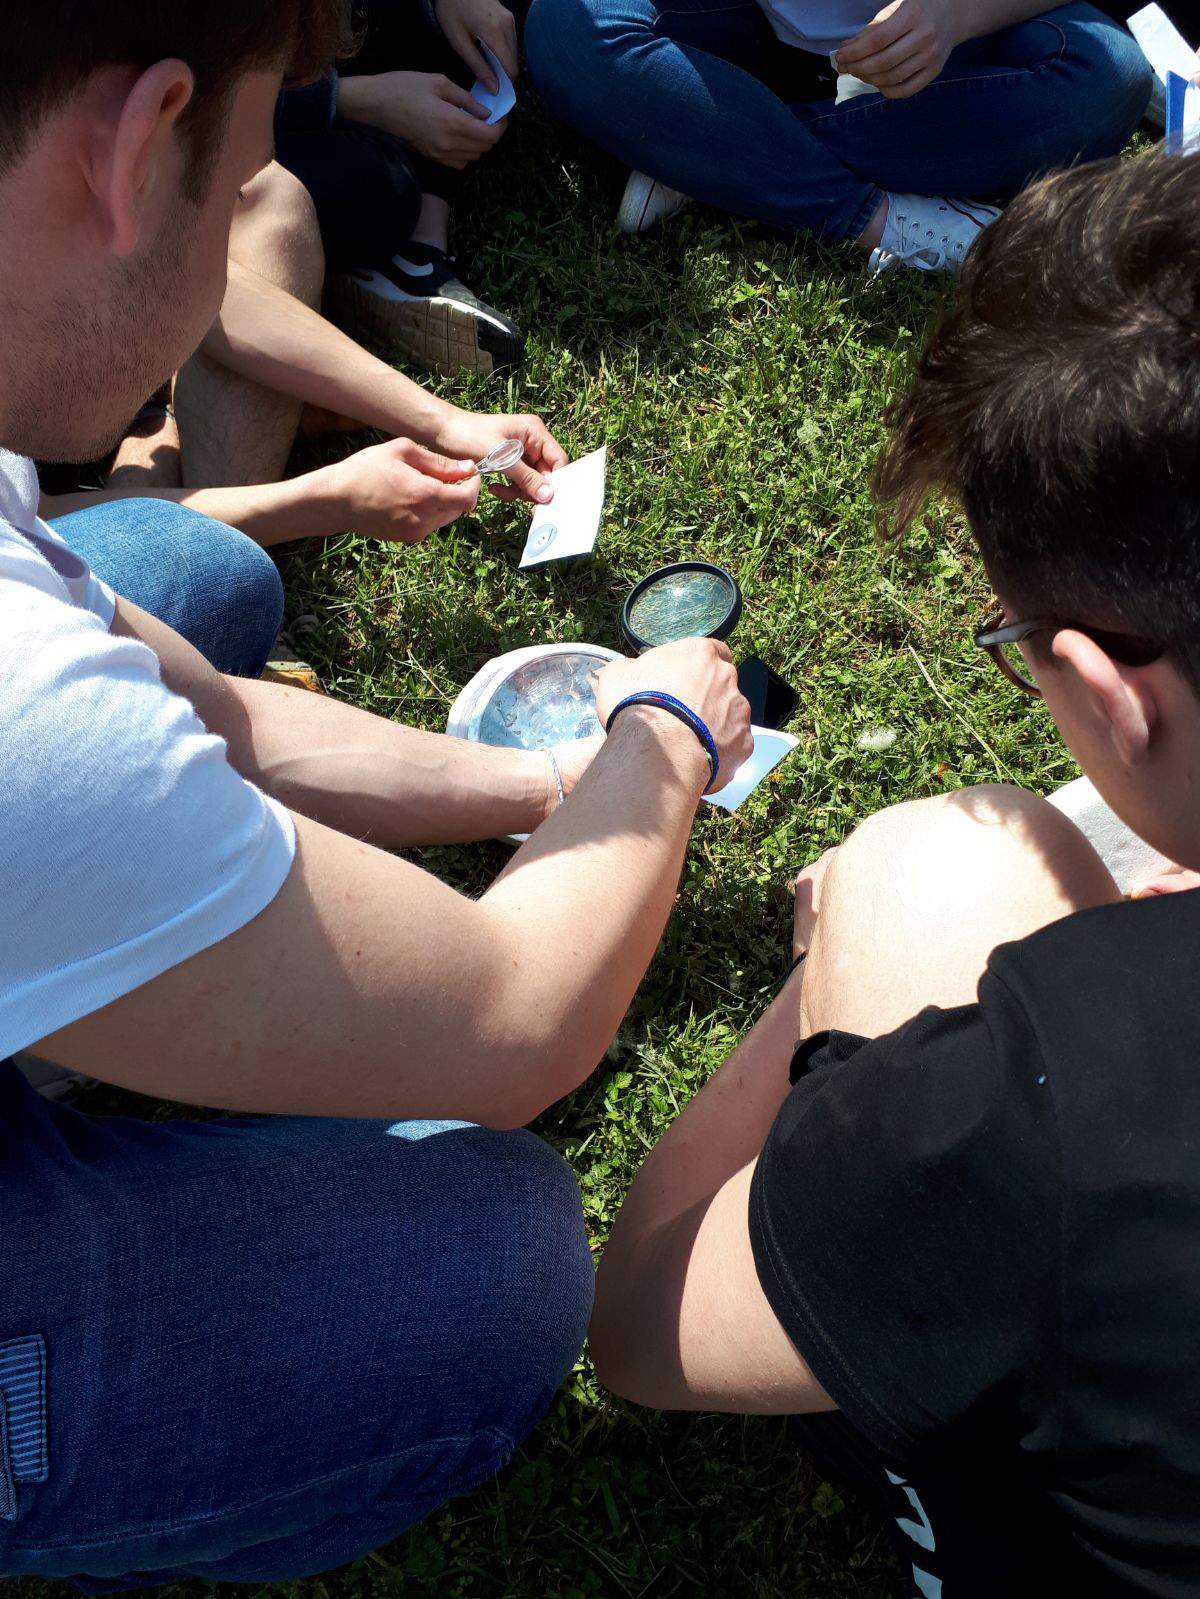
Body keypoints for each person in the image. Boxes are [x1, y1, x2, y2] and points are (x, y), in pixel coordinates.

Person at [0, 3, 754, 1588]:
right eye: (242, 182)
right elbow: (513, 1027)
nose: (248, 232)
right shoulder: (20, 711)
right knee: (492, 1255)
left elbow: (215, 715)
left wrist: (555, 779)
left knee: (189, 568)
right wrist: (665, 738)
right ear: (135, 153)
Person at [589, 148, 1200, 1595]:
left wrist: (826, 993)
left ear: (1105, 692)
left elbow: (641, 1320)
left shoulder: (1065, 1103)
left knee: (937, 858)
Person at [524, 0, 1152, 276]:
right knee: (566, 27)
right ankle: (882, 221)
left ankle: (707, 149)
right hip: (741, 26)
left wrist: (953, 14)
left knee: (1107, 78)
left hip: (950, 49)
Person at [277, 0, 526, 375]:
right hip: (241, 128)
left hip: (333, 52)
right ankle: (384, 259)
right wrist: (353, 100)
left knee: (482, 23)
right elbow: (211, 110)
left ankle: (419, 252)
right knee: (378, 186)